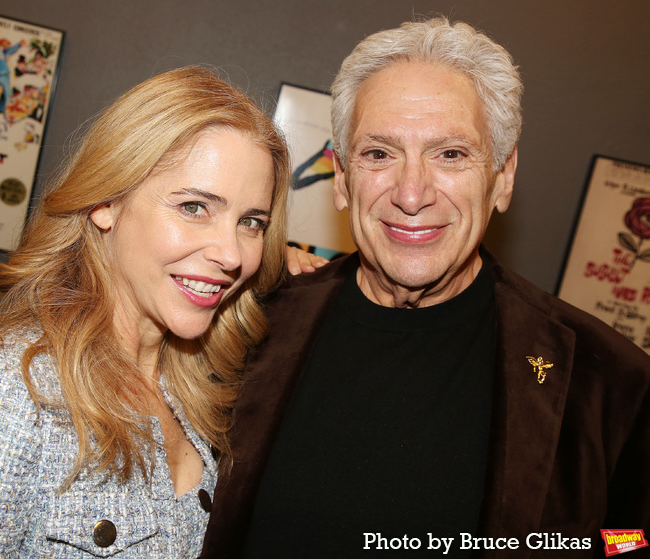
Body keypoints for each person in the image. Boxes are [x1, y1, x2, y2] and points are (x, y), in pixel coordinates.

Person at [201, 17, 650, 558]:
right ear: (342, 179)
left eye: (451, 154)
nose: (411, 194)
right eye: (379, 154)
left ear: (502, 179)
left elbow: (631, 542)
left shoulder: (609, 381)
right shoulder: (248, 326)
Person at [0, 66, 291, 557]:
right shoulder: (4, 398)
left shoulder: (192, 390)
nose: (232, 254)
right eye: (195, 207)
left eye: (251, 222)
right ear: (106, 201)